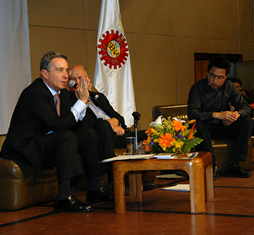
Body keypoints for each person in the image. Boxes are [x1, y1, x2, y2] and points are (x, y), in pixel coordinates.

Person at [1, 51, 112, 213]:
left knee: (87, 134)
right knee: (66, 137)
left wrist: (83, 100)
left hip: (46, 143)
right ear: (44, 74)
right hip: (26, 149)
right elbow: (58, 125)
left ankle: (95, 188)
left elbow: (74, 122)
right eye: (59, 70)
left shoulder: (63, 95)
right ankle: (64, 197)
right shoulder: (34, 93)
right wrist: (81, 102)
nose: (65, 75)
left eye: (66, 70)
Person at [68, 65, 154, 189]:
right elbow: (87, 123)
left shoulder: (98, 97)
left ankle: (142, 177)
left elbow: (120, 117)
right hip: (100, 137)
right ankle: (115, 180)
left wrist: (116, 121)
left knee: (150, 133)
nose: (76, 82)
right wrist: (110, 125)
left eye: (79, 78)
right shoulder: (71, 101)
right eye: (73, 79)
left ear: (87, 79)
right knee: (103, 125)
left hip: (118, 134)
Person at [187, 56, 253, 179]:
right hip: (205, 129)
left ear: (226, 77)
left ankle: (234, 165)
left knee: (246, 121)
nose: (215, 80)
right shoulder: (197, 88)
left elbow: (246, 107)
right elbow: (192, 113)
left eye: (220, 77)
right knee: (198, 124)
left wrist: (235, 115)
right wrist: (217, 115)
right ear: (207, 73)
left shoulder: (229, 87)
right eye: (212, 75)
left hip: (223, 127)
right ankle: (212, 165)